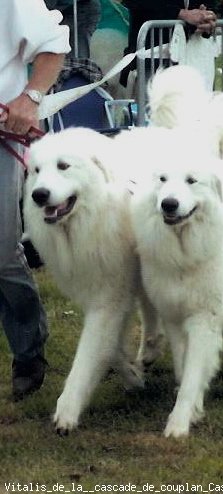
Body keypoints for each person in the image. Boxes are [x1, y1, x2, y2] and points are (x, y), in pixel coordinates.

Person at [0, 0, 70, 399]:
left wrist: (29, 99)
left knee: (1, 252)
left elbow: (53, 44)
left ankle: (28, 350)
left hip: (3, 136)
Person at [120, 0, 217, 88]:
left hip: (195, 60)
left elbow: (208, 8)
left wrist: (207, 18)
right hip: (153, 61)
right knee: (156, 105)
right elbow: (137, 3)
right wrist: (181, 14)